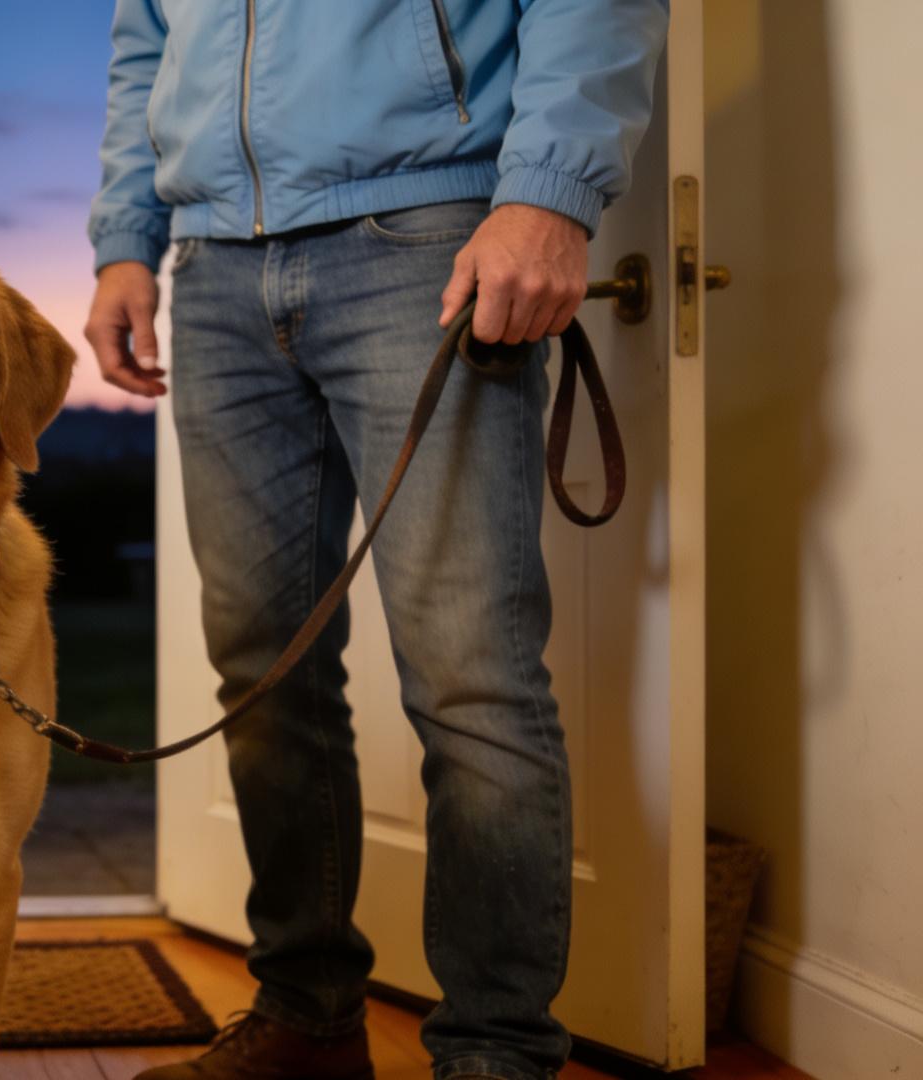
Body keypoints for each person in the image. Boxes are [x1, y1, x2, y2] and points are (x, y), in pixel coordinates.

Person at [84, 3, 667, 1079]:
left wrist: (549, 192)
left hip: (423, 237)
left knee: (470, 677)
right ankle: (306, 1017)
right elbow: (145, 44)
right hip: (213, 268)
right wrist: (125, 242)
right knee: (263, 672)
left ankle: (495, 1055)